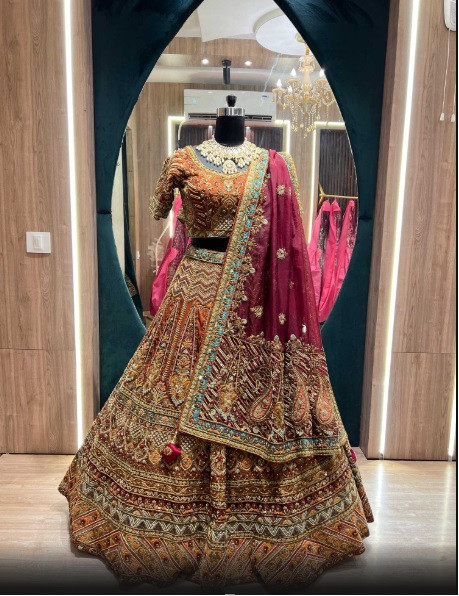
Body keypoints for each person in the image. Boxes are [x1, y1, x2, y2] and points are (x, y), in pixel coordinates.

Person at [59, 134, 373, 591]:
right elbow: (159, 210)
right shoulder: (182, 161)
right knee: (166, 385)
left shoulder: (275, 163)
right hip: (194, 292)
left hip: (254, 298)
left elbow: (285, 241)